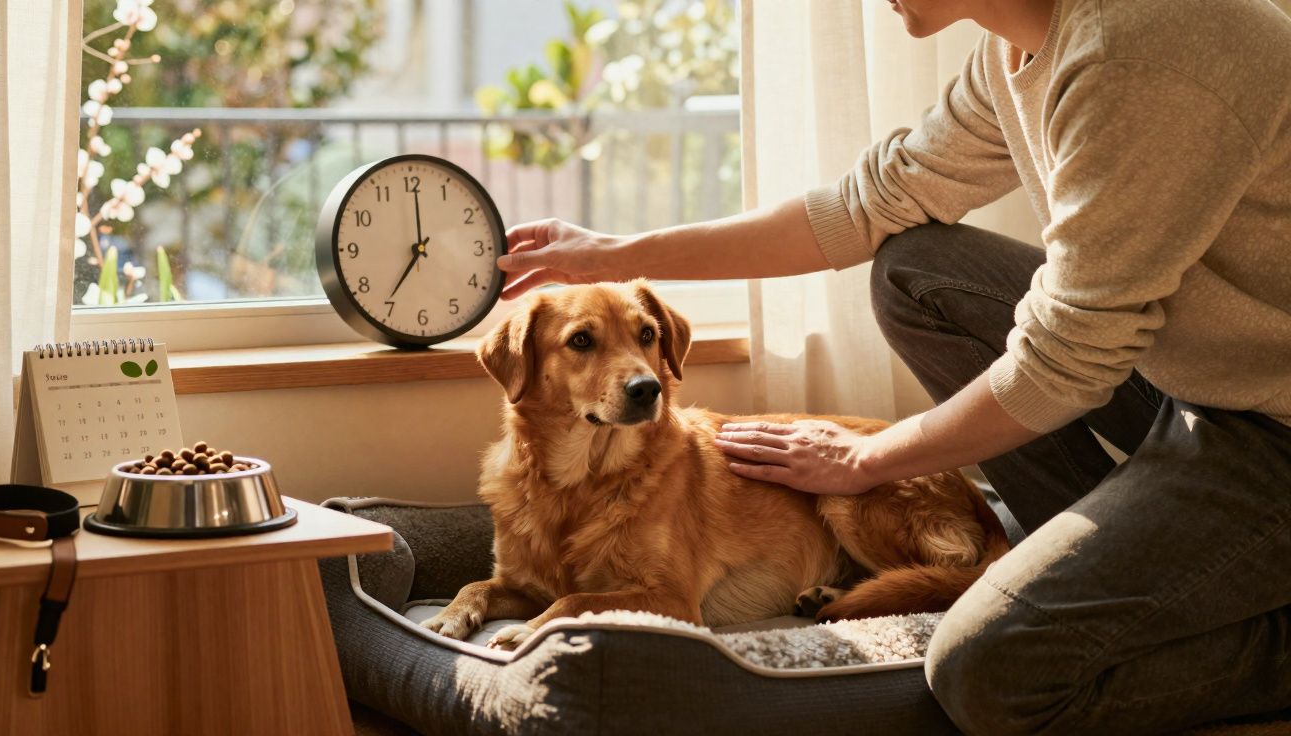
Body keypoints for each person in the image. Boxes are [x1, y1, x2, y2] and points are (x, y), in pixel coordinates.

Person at [494, 0, 1291, 732]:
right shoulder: (1017, 51)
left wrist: (866, 459)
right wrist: (607, 254)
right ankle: (1099, 545)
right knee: (915, 267)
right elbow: (859, 209)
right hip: (1195, 382)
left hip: (1271, 425)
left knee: (987, 672)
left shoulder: (1134, 52)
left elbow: (1069, 358)